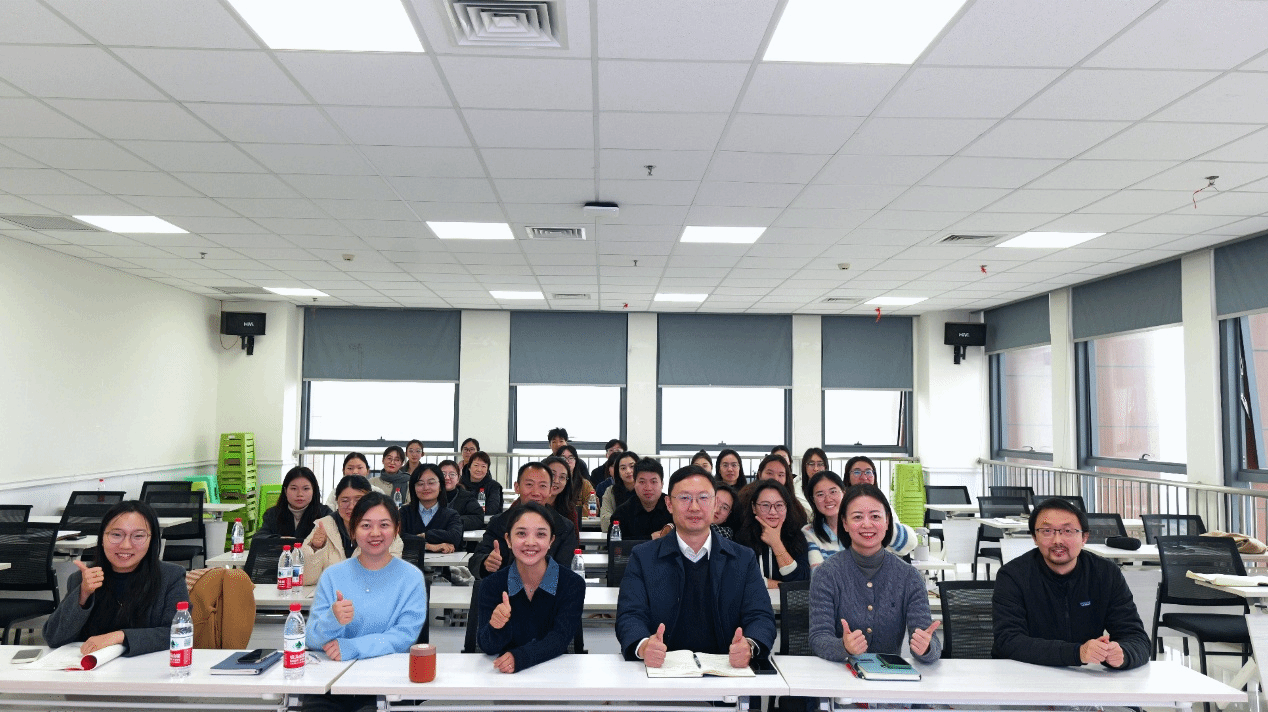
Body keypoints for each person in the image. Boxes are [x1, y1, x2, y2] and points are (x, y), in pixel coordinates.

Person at [616, 465, 776, 666]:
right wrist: (644, 646)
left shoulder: (742, 559)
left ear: (715, 503)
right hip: (662, 670)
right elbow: (630, 615)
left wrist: (749, 646)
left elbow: (761, 616)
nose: (694, 507)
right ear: (669, 504)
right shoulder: (643, 557)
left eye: (703, 498)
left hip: (726, 670)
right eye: (684, 498)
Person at [992, 498, 1150, 669]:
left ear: (1084, 537)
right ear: (1034, 537)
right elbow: (1008, 641)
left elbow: (1137, 638)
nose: (1057, 540)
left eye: (1068, 531)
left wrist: (1123, 654)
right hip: (1024, 673)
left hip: (1083, 678)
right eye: (1047, 531)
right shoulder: (1013, 575)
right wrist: (1077, 653)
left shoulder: (1106, 573)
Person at [305, 493, 427, 712]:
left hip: (387, 682)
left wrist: (353, 647)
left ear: (397, 529)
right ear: (353, 531)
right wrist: (332, 620)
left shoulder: (411, 578)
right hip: (332, 681)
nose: (375, 533)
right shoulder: (332, 576)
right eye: (366, 525)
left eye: (384, 525)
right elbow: (311, 639)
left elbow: (403, 637)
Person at [808, 485, 941, 665]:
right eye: (857, 517)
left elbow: (930, 638)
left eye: (875, 516)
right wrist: (843, 646)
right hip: (839, 674)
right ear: (845, 523)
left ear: (887, 521)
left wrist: (927, 648)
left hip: (889, 676)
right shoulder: (826, 573)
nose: (867, 524)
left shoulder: (909, 576)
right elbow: (818, 637)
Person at [43, 500, 189, 656]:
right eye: (116, 535)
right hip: (93, 668)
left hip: (147, 666)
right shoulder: (83, 579)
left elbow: (178, 633)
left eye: (138, 536)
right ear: (102, 537)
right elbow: (53, 638)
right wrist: (83, 593)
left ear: (151, 540)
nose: (126, 545)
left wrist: (119, 636)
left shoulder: (171, 577)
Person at [476, 502, 586, 673]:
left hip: (556, 674)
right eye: (521, 533)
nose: (530, 542)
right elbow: (487, 646)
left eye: (540, 534)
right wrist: (496, 626)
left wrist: (520, 657)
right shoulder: (491, 585)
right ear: (508, 540)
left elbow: (559, 638)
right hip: (503, 676)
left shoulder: (572, 584)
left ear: (551, 541)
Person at [470, 462, 580, 579]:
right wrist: (486, 562)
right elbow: (476, 559)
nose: (536, 493)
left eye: (542, 486)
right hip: (504, 587)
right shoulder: (498, 522)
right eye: (529, 484)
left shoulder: (565, 527)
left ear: (550, 490)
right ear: (517, 487)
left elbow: (565, 569)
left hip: (548, 588)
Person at [302, 475, 404, 584]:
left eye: (358, 500)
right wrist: (315, 548)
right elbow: (306, 579)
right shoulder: (323, 526)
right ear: (337, 502)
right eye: (345, 500)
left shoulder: (384, 532)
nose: (351, 506)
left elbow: (386, 576)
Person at [736, 480, 809, 587]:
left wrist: (776, 543)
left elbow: (801, 580)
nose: (773, 512)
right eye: (765, 505)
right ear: (754, 508)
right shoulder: (741, 537)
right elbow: (740, 579)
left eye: (779, 505)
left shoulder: (798, 536)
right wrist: (779, 585)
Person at [842, 456, 917, 557]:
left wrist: (881, 529)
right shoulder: (841, 503)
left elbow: (908, 542)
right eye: (857, 472)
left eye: (868, 472)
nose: (863, 477)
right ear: (848, 477)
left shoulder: (882, 503)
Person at [258, 466, 332, 541]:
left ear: (314, 490)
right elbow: (259, 538)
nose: (300, 494)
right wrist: (280, 540)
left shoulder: (325, 513)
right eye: (294, 488)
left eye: (306, 489)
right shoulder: (272, 514)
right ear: (285, 490)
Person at [400, 463, 462, 553]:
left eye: (431, 483)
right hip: (409, 561)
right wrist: (428, 546)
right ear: (413, 488)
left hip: (442, 562)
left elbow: (455, 537)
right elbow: (397, 538)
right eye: (420, 484)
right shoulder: (404, 512)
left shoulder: (451, 515)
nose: (426, 488)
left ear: (440, 486)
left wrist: (425, 535)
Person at [609, 458, 673, 540]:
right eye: (642, 482)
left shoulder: (674, 508)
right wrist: (650, 538)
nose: (648, 488)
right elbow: (613, 544)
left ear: (662, 484)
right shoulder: (622, 513)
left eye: (653, 482)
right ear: (634, 484)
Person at [801, 470, 847, 567]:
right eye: (820, 494)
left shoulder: (860, 527)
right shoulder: (809, 533)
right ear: (813, 500)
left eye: (833, 492)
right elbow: (817, 573)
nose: (828, 499)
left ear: (844, 493)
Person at [599, 451, 638, 533]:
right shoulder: (610, 491)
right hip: (617, 538)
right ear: (618, 472)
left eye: (632, 466)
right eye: (623, 468)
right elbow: (605, 523)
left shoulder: (646, 490)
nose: (628, 471)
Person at [441, 458, 485, 531]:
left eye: (452, 474)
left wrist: (454, 521)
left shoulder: (467, 497)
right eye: (443, 474)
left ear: (458, 478)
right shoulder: (429, 496)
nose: (447, 478)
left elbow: (478, 518)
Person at [460, 450, 504, 516]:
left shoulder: (494, 486)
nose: (479, 470)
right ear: (469, 467)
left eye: (483, 466)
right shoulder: (460, 485)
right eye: (476, 465)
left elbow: (492, 510)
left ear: (487, 470)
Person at [555, 444, 595, 515]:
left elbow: (593, 508)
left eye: (571, 458)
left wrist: (569, 513)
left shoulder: (584, 484)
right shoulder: (552, 483)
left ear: (576, 461)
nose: (567, 461)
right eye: (563, 458)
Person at [543, 455, 577, 528]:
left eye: (562, 477)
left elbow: (574, 535)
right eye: (552, 475)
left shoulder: (569, 510)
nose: (556, 481)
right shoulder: (525, 502)